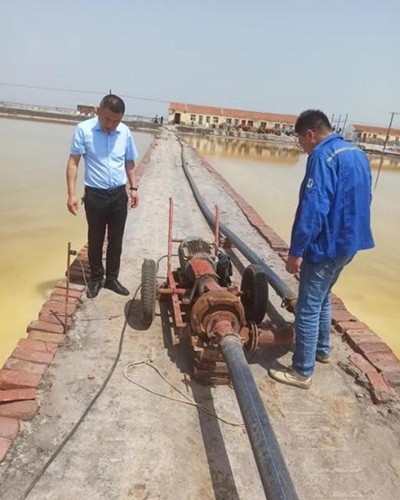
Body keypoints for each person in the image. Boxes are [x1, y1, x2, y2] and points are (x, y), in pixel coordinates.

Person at [269, 110, 374, 389]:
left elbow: (313, 207)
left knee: (307, 307)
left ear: (310, 134)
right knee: (324, 295)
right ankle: (322, 350)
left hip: (325, 245)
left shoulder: (322, 156)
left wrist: (297, 251)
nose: (301, 147)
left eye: (300, 141)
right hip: (348, 244)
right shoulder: (356, 153)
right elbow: (367, 197)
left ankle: (301, 371)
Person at [66, 94, 139, 298]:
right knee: (96, 238)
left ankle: (112, 279)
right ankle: (97, 277)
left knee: (116, 240)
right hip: (95, 196)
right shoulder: (84, 130)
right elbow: (73, 163)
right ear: (98, 111)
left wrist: (134, 188)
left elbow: (129, 161)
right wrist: (71, 194)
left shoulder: (124, 132)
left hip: (118, 195)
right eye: (107, 119)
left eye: (116, 121)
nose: (111, 125)